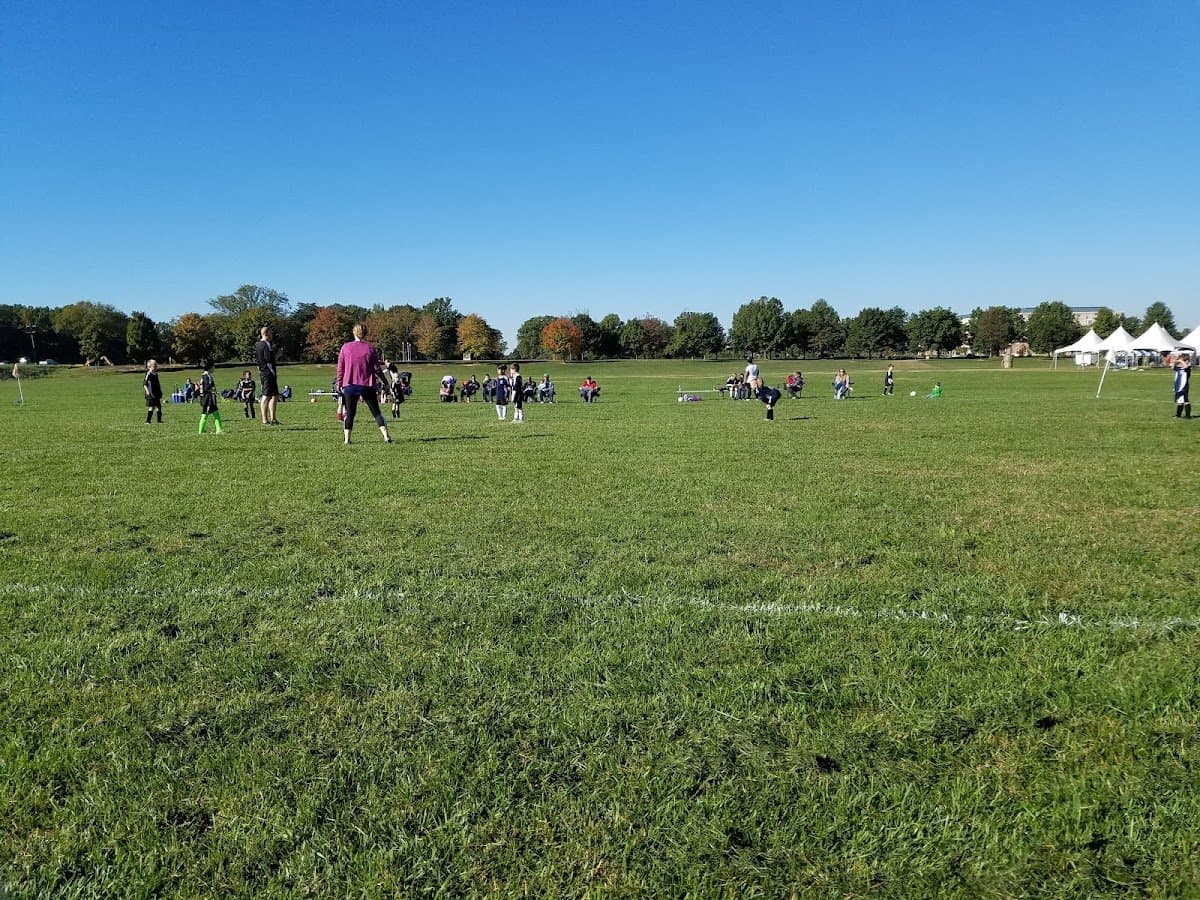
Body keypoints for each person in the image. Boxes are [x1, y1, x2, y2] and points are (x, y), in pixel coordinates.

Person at [335, 324, 393, 445]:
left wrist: (339, 382)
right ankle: (386, 436)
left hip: (349, 384)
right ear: (366, 333)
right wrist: (386, 383)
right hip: (367, 384)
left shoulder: (345, 348)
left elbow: (340, 368)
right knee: (376, 412)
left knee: (350, 413)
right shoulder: (370, 349)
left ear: (353, 332)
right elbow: (377, 369)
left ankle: (347, 439)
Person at [256, 325, 282, 426]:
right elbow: (268, 359)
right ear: (266, 334)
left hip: (266, 372)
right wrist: (277, 355)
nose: (272, 335)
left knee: (275, 395)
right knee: (266, 395)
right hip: (267, 372)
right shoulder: (265, 345)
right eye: (270, 333)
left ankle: (273, 418)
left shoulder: (258, 344)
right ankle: (264, 419)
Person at [197, 359, 223, 434]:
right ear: (210, 367)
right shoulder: (206, 376)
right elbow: (206, 388)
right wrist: (213, 391)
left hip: (209, 398)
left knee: (216, 413)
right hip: (208, 399)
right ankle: (201, 431)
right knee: (205, 415)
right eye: (214, 366)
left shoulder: (205, 376)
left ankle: (219, 430)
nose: (214, 368)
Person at [143, 359, 164, 424]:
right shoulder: (148, 374)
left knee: (159, 407)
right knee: (152, 407)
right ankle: (148, 421)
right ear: (149, 367)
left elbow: (157, 383)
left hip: (156, 393)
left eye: (156, 366)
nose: (155, 367)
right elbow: (144, 384)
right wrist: (147, 391)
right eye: (154, 366)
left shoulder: (156, 374)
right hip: (150, 393)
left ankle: (159, 420)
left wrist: (160, 391)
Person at [1173, 353, 1192, 419]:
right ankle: (1178, 415)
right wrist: (1176, 360)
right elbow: (1173, 367)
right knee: (1179, 400)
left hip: (1184, 386)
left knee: (1185, 400)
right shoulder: (1179, 368)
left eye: (1185, 360)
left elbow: (1186, 366)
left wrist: (1181, 360)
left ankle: (1188, 415)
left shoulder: (1188, 367)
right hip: (1178, 386)